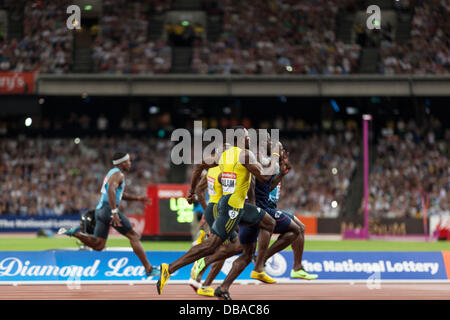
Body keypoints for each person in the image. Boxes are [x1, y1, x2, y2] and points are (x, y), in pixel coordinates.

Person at [156, 127, 278, 300]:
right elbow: (265, 177)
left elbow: (199, 165)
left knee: (268, 223)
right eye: (247, 136)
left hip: (234, 205)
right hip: (233, 208)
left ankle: (258, 265)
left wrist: (191, 190)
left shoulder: (224, 155)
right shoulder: (245, 155)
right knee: (212, 245)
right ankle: (170, 268)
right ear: (241, 138)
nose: (250, 139)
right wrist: (275, 156)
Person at [58, 152, 159, 277]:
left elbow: (118, 194)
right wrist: (114, 212)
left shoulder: (112, 173)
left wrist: (137, 198)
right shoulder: (118, 175)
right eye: (128, 161)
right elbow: (111, 189)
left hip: (100, 211)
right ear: (122, 163)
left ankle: (75, 233)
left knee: (99, 245)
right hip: (108, 210)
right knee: (134, 237)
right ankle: (149, 269)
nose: (130, 163)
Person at [254, 142, 318, 280]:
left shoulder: (276, 165)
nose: (283, 151)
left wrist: (282, 173)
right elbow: (266, 186)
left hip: (270, 206)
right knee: (298, 228)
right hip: (263, 207)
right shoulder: (267, 164)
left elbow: (270, 187)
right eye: (279, 149)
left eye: (282, 148)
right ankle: (263, 258)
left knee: (300, 228)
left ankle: (296, 267)